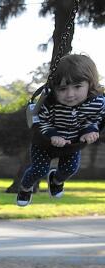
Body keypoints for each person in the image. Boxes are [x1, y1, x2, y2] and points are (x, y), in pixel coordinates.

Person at [17, 54, 105, 207]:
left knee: (70, 168)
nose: (70, 95)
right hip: (44, 143)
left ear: (90, 84)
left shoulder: (97, 102)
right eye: (63, 89)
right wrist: (53, 134)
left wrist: (90, 130)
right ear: (55, 89)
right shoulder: (49, 102)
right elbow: (41, 121)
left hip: (71, 144)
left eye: (77, 87)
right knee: (39, 169)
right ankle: (25, 188)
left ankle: (56, 180)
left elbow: (95, 119)